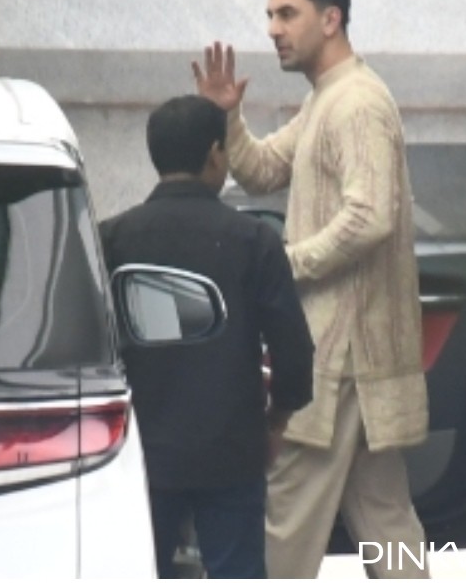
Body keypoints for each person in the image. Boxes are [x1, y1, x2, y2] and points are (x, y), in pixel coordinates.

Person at [192, 0, 430, 578]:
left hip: (338, 355)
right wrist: (228, 115)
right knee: (387, 521)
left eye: (287, 14)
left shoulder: (356, 103)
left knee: (284, 529)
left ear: (331, 19)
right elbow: (264, 169)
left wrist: (283, 265)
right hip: (351, 355)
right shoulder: (333, 97)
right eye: (270, 15)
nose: (273, 28)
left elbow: (371, 215)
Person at [100, 94, 314, 578]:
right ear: (217, 154)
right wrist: (276, 420)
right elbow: (293, 350)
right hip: (231, 451)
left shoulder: (111, 239)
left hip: (140, 453)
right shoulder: (253, 241)